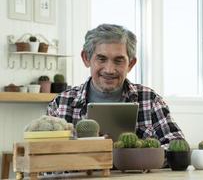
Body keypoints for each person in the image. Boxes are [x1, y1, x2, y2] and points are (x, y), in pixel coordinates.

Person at [47, 24, 184, 145]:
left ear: (131, 64)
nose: (109, 70)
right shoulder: (60, 104)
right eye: (101, 59)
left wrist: (136, 150)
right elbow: (45, 157)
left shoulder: (150, 100)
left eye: (118, 61)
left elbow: (177, 146)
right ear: (86, 58)